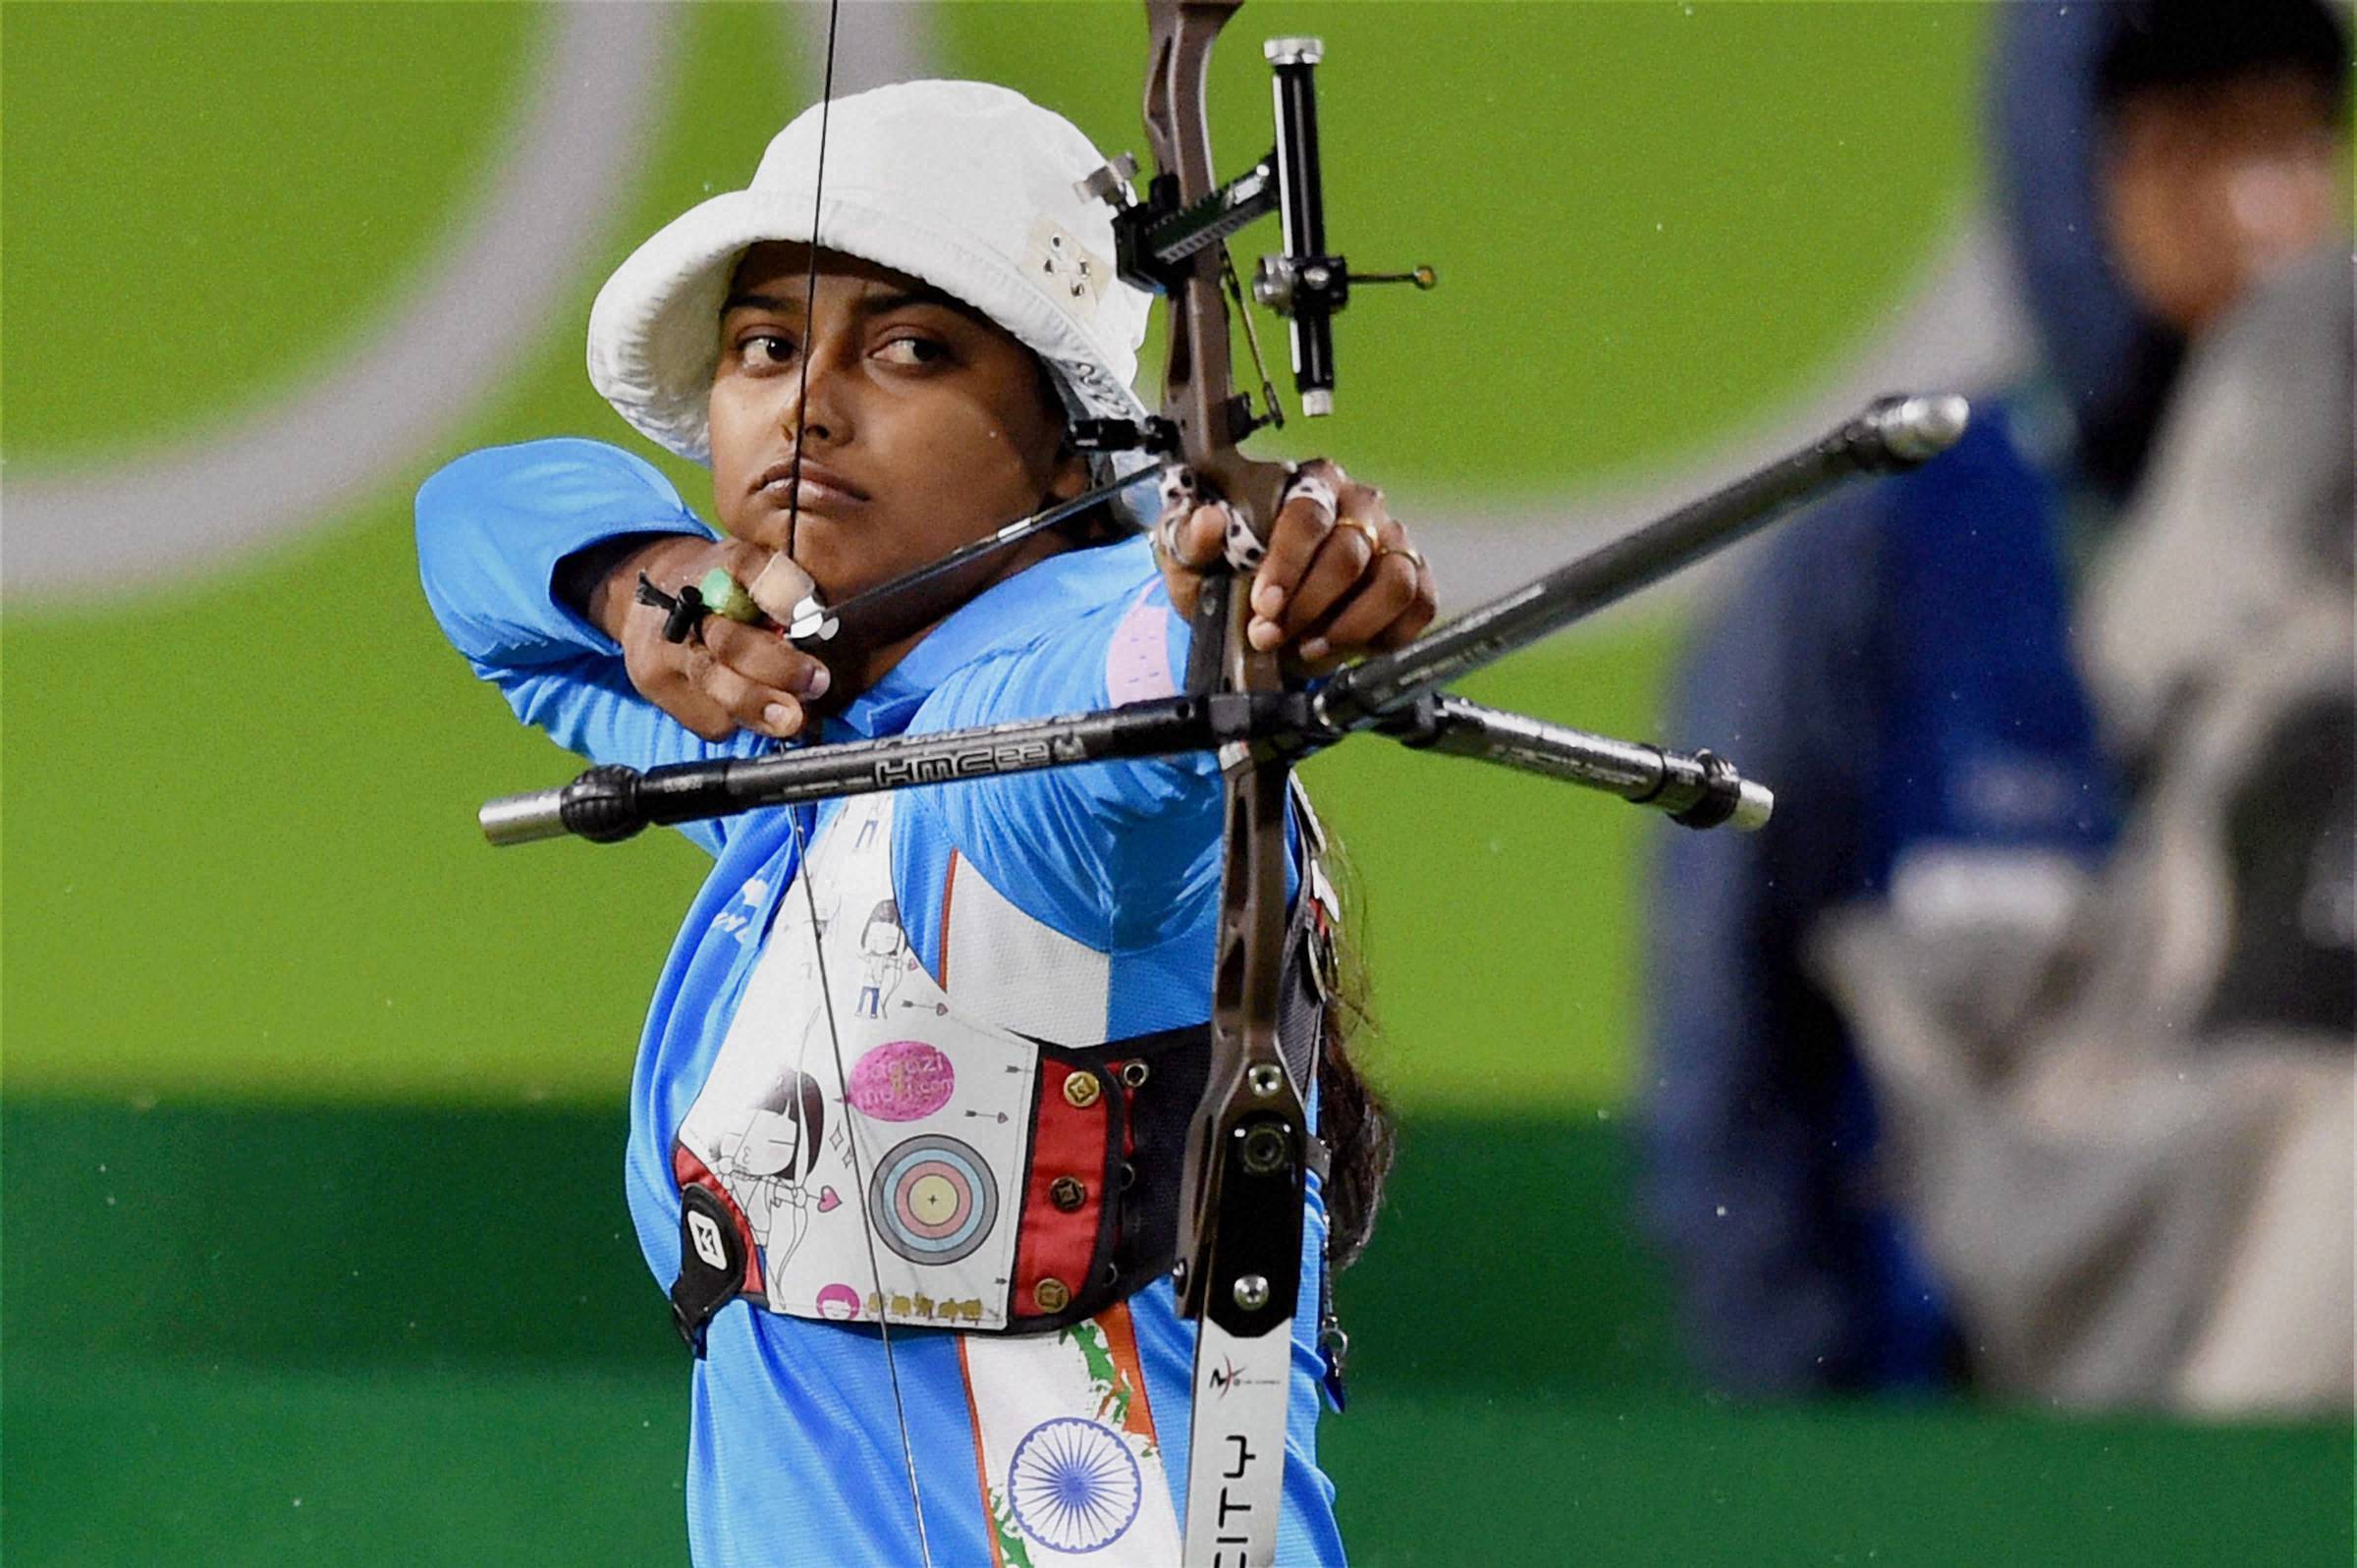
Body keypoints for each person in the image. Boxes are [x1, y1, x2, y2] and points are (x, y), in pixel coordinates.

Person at [416, 81, 1435, 1566]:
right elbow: (471, 526)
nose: (810, 401)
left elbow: (1137, 708)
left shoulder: (1023, 744)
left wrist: (1246, 602)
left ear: (1072, 450)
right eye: (766, 345)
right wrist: (643, 576)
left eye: (910, 349)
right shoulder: (807, 727)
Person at [1640, 0, 2349, 1396]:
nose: (2260, 210)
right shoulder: (1886, 554)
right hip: (1951, 1462)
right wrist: (1825, 1436)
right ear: (2062, 171)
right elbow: (1730, 1050)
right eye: (2192, 146)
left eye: (2294, 140)